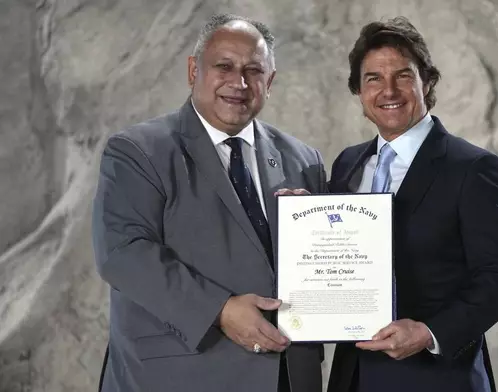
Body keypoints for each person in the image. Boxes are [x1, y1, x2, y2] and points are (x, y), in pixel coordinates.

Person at [92, 13, 325, 392]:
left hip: (287, 376)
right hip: (178, 377)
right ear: (192, 70)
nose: (239, 82)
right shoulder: (137, 151)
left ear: (270, 81)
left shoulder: (303, 160)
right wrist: (219, 310)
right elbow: (122, 252)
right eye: (224, 66)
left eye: (253, 70)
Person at [325, 16, 498, 392]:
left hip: (438, 378)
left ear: (426, 82)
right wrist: (302, 215)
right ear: (358, 90)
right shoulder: (348, 164)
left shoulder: (473, 168)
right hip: (353, 377)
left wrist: (429, 332)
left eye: (403, 75)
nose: (389, 90)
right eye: (373, 79)